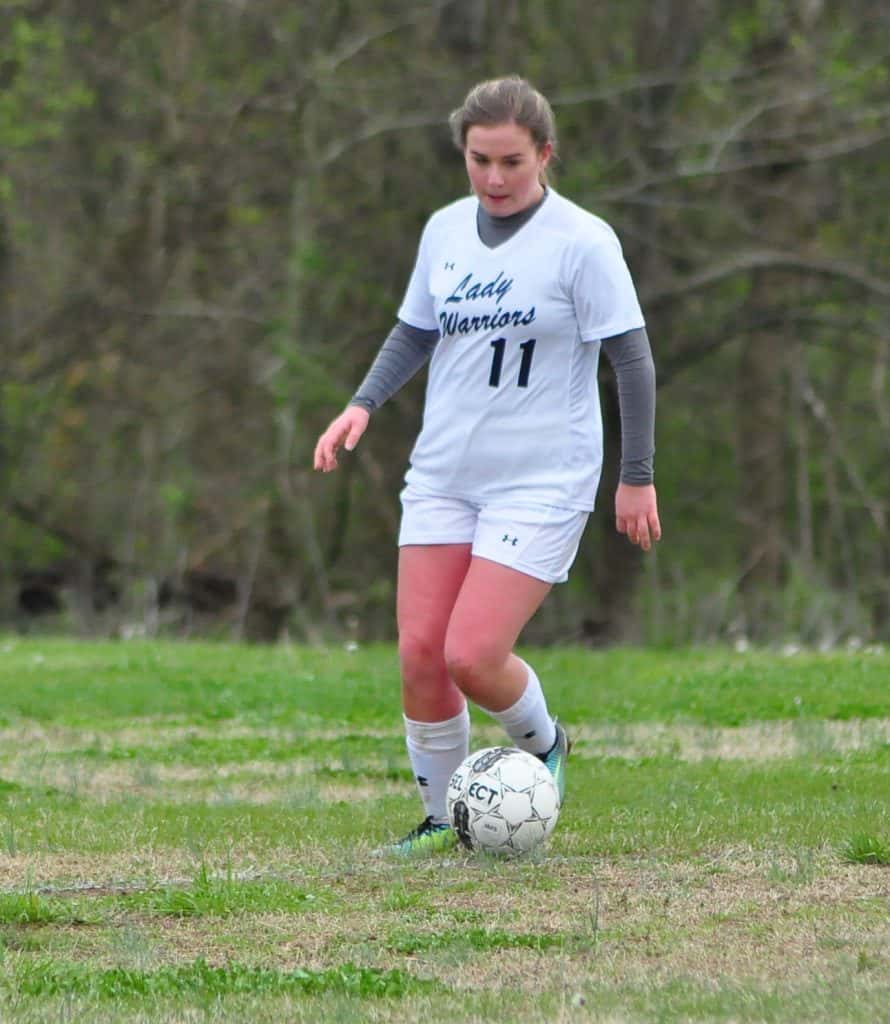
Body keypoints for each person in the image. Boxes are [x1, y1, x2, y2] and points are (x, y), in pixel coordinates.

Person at [313, 75, 661, 855]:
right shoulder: (443, 231)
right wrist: (362, 404)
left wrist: (635, 474)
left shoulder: (582, 241)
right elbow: (414, 331)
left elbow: (631, 359)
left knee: (471, 655)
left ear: (545, 154)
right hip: (444, 474)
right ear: (462, 155)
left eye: (512, 161)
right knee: (420, 655)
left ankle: (546, 746)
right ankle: (444, 820)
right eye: (479, 161)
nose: (495, 178)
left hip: (542, 481)